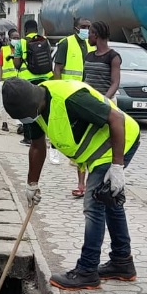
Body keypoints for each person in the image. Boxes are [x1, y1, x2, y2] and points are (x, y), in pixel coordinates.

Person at [2, 77, 140, 290]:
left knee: (94, 207)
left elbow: (116, 118)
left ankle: (87, 271)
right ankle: (122, 262)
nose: (28, 121)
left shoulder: (71, 98)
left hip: (117, 144)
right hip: (96, 154)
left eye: (27, 116)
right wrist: (31, 184)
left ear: (35, 103)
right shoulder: (34, 110)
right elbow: (38, 147)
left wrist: (117, 167)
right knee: (109, 202)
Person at [53, 17, 95, 183]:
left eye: (88, 27)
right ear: (75, 28)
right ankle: (60, 149)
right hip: (68, 90)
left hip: (84, 91)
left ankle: (76, 156)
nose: (86, 30)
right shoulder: (66, 43)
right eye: (83, 27)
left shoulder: (90, 44)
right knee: (66, 124)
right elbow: (58, 68)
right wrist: (58, 89)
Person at [13, 19, 53, 146]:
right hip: (46, 78)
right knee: (43, 108)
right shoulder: (45, 40)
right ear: (37, 29)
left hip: (28, 80)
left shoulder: (21, 43)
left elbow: (17, 64)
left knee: (27, 108)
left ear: (25, 30)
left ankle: (28, 138)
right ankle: (44, 136)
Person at [0, 29, 19, 132]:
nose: (17, 39)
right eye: (14, 38)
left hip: (18, 80)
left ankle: (20, 125)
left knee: (19, 102)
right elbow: (0, 66)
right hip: (6, 80)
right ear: (9, 39)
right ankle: (4, 123)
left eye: (18, 38)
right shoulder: (4, 50)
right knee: (5, 103)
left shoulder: (20, 49)